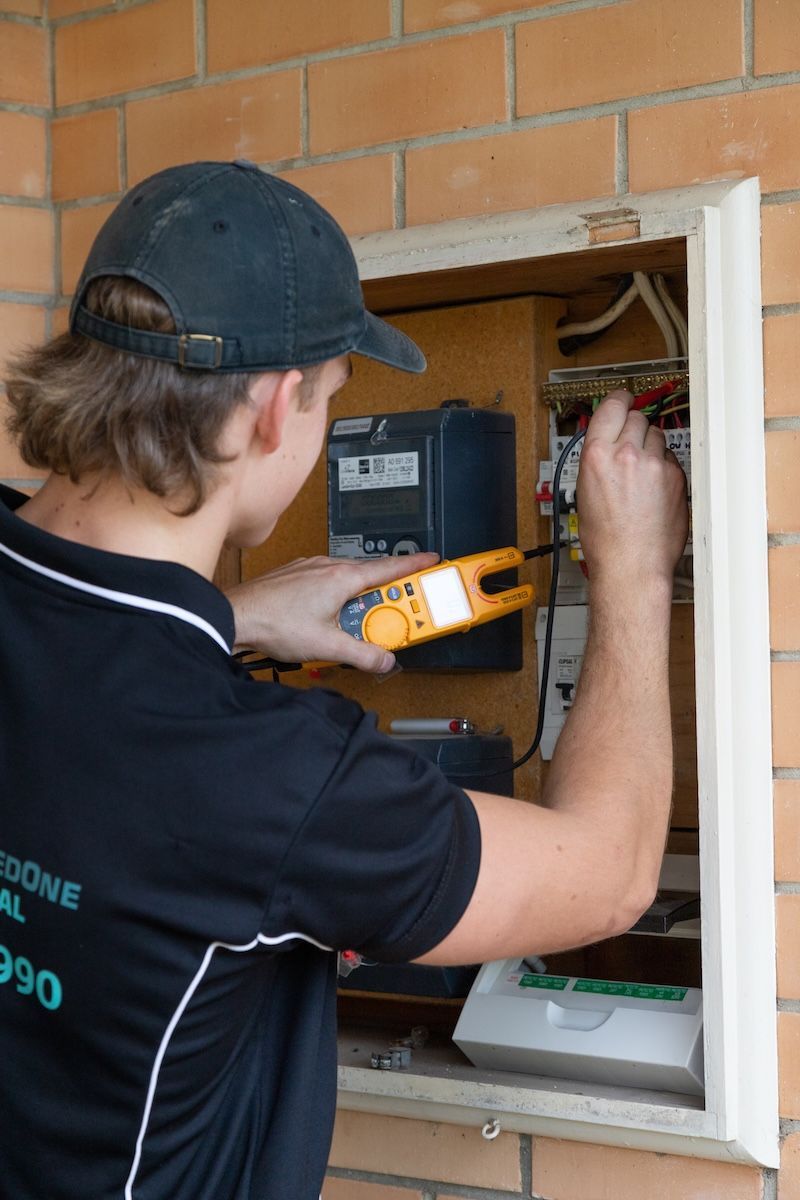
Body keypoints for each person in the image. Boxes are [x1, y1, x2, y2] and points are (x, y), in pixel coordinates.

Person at [0, 160, 688, 1200]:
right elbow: (612, 873)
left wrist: (226, 620)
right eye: (329, 400)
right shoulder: (272, 777)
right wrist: (630, 569)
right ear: (277, 410)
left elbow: (85, 691)